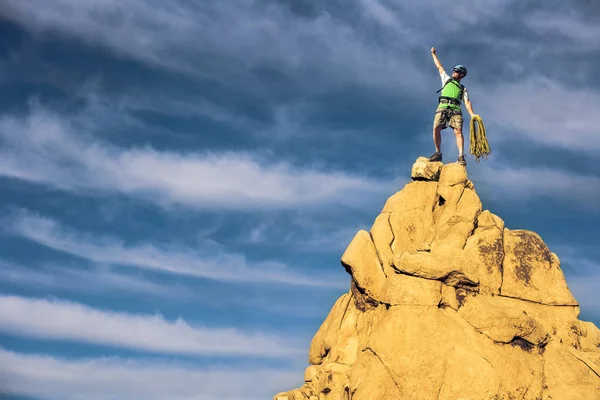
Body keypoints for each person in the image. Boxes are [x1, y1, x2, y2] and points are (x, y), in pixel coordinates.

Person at [428, 47, 478, 166]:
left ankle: (461, 156)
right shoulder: (446, 79)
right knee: (436, 127)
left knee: (458, 131)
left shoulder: (463, 88)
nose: (454, 72)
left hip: (455, 109)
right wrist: (433, 54)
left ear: (461, 74)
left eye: (456, 71)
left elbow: (467, 102)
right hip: (443, 106)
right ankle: (438, 153)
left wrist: (472, 114)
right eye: (454, 70)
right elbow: (439, 67)